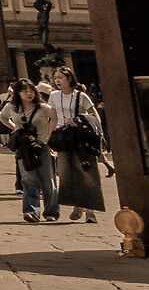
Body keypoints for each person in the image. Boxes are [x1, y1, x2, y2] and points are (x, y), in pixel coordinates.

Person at [47, 66, 105, 222]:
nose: (57, 80)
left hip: (81, 138)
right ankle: (78, 205)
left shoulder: (82, 96)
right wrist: (51, 139)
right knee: (67, 173)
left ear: (69, 78)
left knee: (87, 172)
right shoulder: (53, 96)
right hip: (64, 138)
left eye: (60, 77)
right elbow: (53, 118)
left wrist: (79, 121)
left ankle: (90, 211)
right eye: (56, 77)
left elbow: (96, 118)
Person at [6, 77, 59, 221]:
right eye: (25, 91)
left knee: (48, 180)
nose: (29, 94)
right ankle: (32, 212)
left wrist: (50, 135)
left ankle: (51, 212)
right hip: (23, 147)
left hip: (42, 145)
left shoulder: (43, 107)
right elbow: (3, 117)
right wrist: (15, 128)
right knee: (28, 179)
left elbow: (55, 117)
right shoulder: (13, 107)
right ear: (18, 93)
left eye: (31, 91)